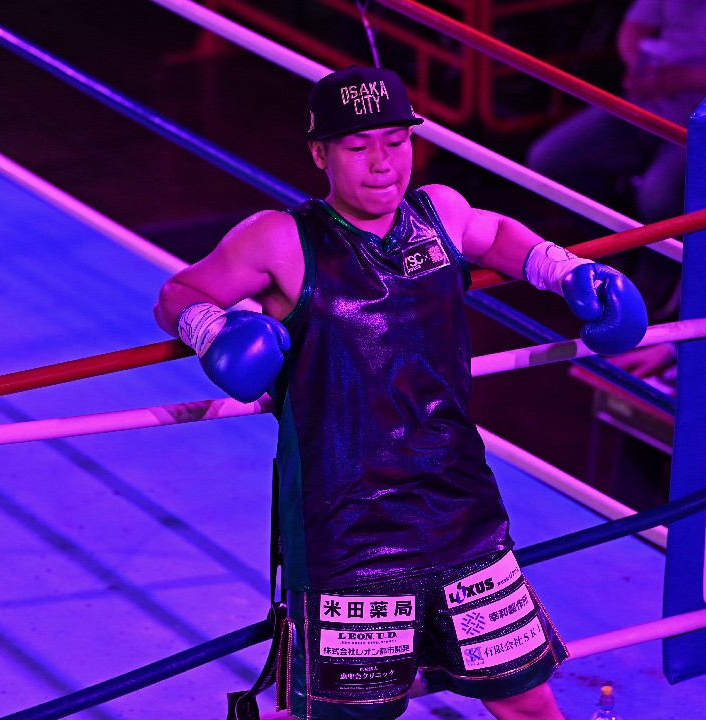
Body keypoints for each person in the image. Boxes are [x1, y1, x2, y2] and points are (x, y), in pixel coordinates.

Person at [154, 66, 649, 720]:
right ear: (320, 154)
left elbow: (500, 234)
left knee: (528, 701)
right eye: (358, 147)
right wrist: (211, 329)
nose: (382, 163)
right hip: (348, 529)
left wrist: (566, 270)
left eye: (396, 141)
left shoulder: (439, 213)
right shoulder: (280, 239)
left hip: (460, 510)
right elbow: (178, 292)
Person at [527, 0, 706, 323]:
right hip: (650, 105)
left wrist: (681, 78)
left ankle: (659, 272)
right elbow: (633, 27)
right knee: (549, 160)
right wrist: (640, 66)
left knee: (658, 197)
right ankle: (618, 258)